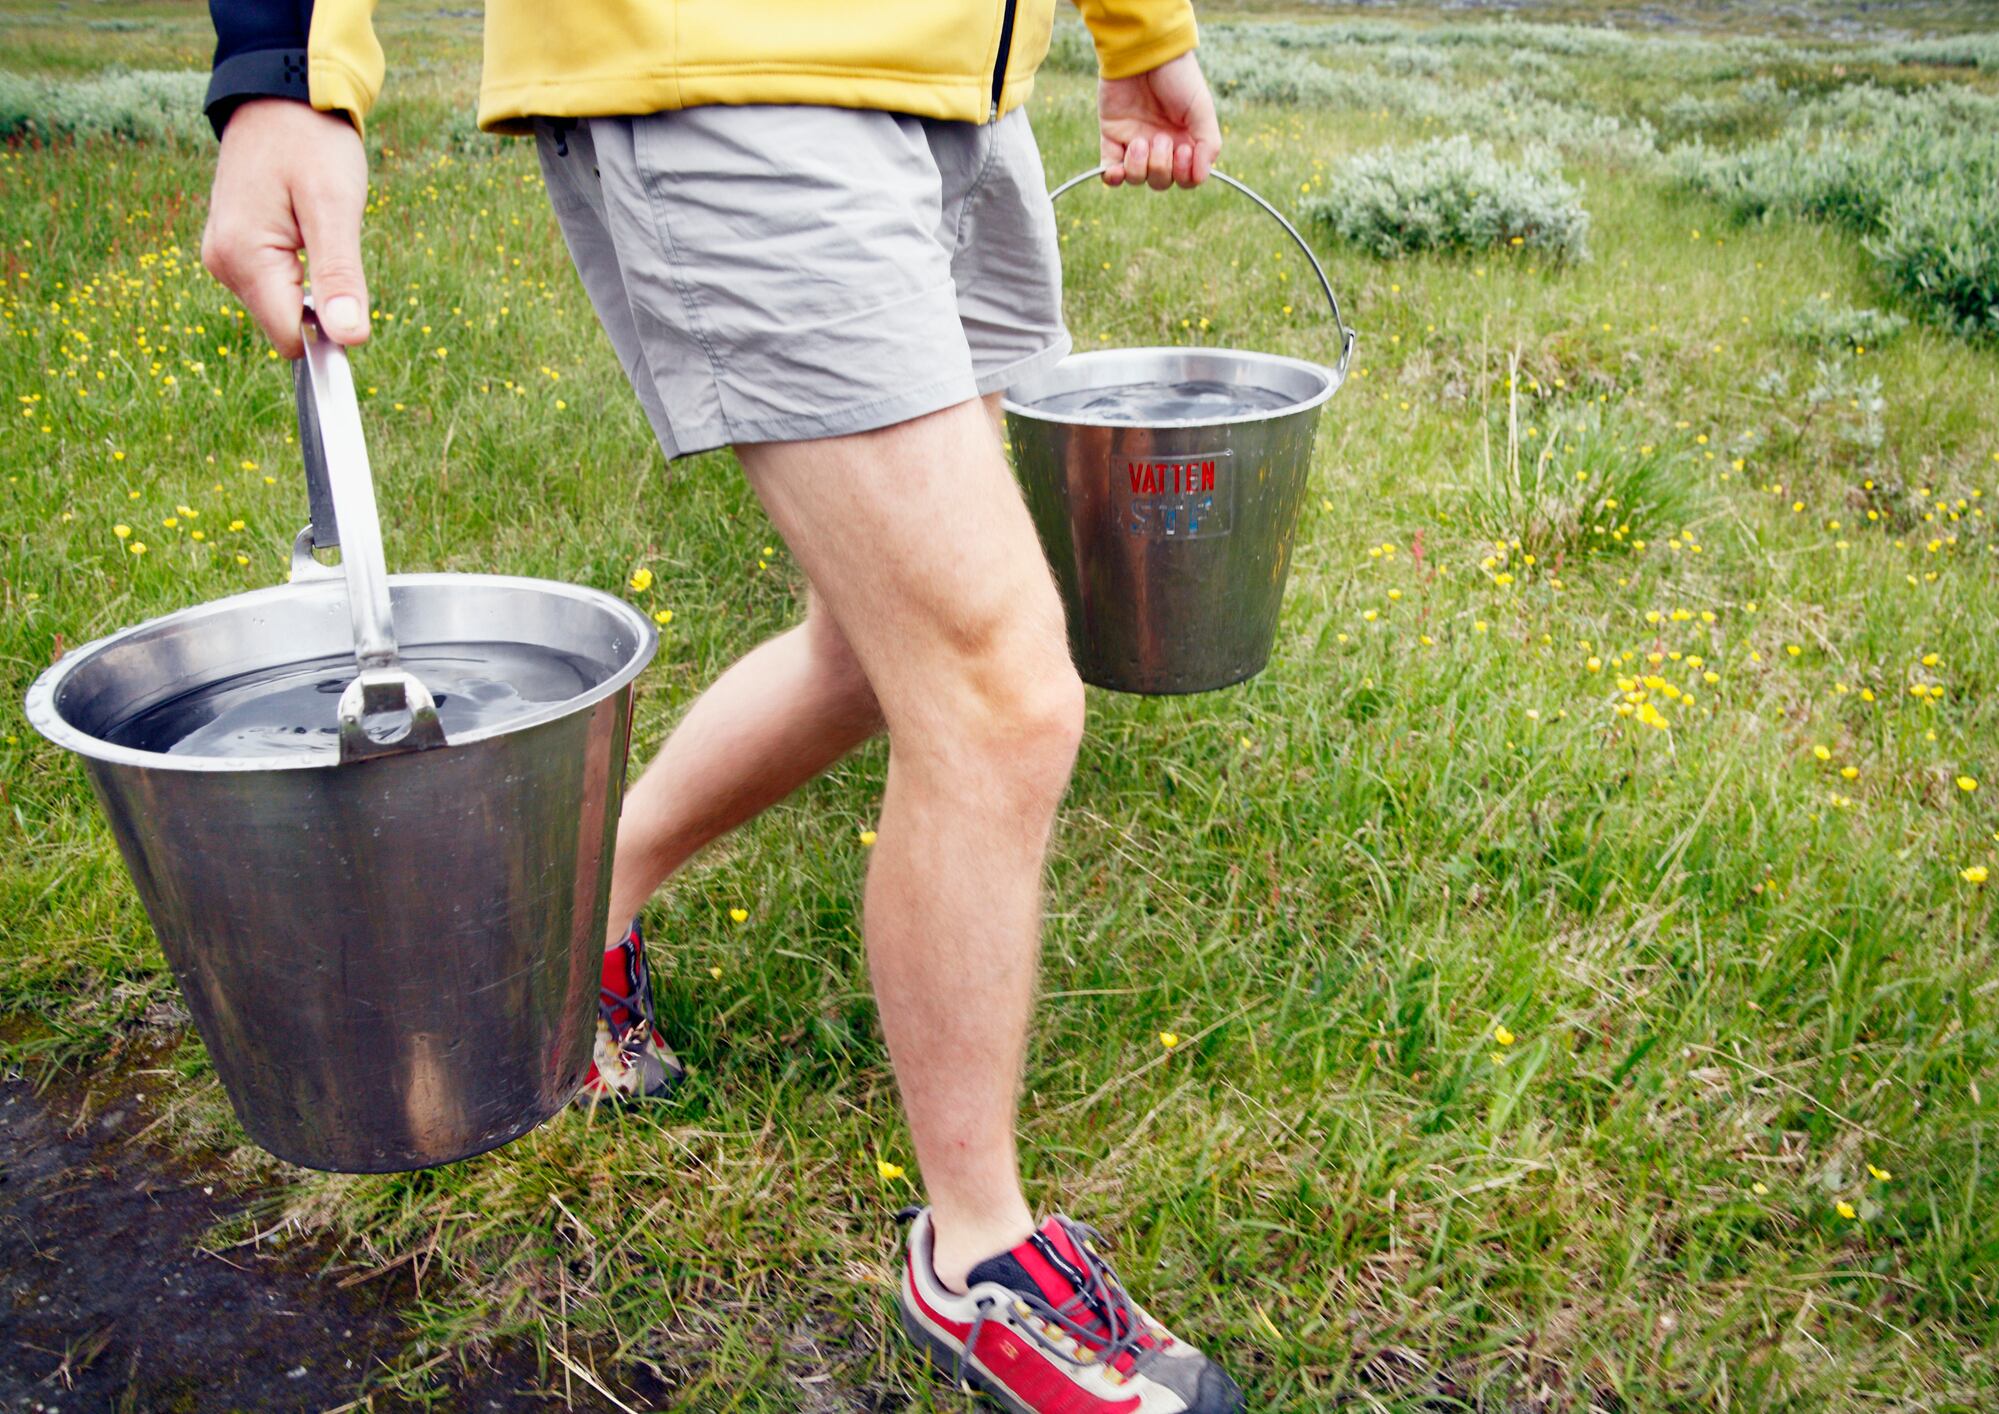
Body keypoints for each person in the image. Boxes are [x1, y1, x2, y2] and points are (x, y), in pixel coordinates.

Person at [199, 1, 1239, 1408]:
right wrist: (285, 73)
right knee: (999, 695)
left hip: (961, 86)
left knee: (878, 646)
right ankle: (975, 1254)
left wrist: (1141, 31)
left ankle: (578, 921)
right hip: (735, 73)